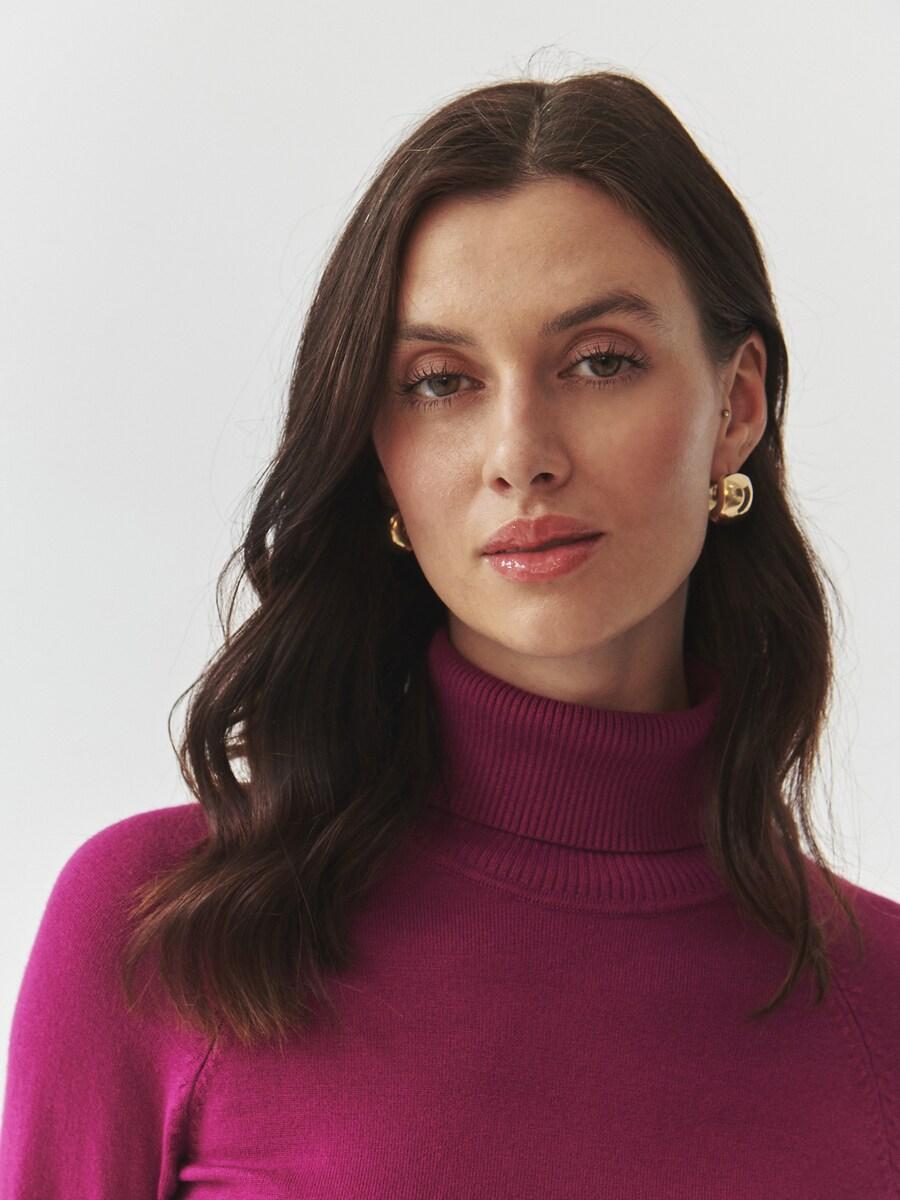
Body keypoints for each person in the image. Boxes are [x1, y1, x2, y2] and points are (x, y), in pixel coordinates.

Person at [2, 69, 898, 1198]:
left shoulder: (881, 1012)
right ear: (378, 449)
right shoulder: (164, 934)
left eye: (601, 361)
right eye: (440, 382)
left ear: (738, 406)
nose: (520, 453)